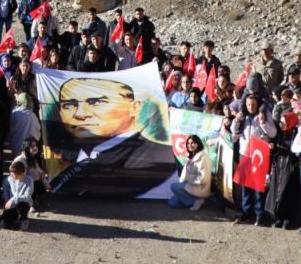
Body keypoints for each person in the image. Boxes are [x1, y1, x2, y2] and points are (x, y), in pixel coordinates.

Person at [44, 75, 175, 199]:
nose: (80, 114)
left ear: (135, 107)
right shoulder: (73, 158)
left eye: (96, 102)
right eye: (69, 105)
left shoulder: (158, 156)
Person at [231, 93, 276, 224]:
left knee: (258, 186)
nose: (251, 107)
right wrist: (237, 120)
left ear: (258, 105)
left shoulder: (264, 115)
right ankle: (246, 212)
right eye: (249, 105)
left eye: (253, 105)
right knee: (245, 185)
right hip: (245, 154)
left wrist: (263, 123)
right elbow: (234, 133)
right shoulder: (243, 116)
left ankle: (259, 214)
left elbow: (273, 133)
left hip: (259, 155)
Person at [168, 134, 212, 211]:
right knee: (172, 202)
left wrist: (188, 179)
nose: (190, 145)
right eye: (188, 143)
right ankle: (194, 200)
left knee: (173, 186)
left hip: (199, 188)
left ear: (198, 144)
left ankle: (196, 200)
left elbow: (203, 178)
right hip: (191, 185)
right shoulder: (191, 156)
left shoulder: (203, 158)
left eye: (192, 143)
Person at [13, 137, 51, 212]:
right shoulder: (20, 160)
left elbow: (40, 172)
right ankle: (29, 204)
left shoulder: (33, 159)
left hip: (35, 183)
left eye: (36, 145)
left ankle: (38, 200)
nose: (35, 148)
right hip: (22, 184)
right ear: (26, 147)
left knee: (41, 191)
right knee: (31, 182)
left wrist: (46, 184)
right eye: (32, 146)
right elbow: (18, 177)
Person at [1, 159, 35, 230]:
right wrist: (7, 202)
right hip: (11, 204)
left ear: (22, 174)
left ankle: (24, 219)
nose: (12, 176)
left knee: (21, 205)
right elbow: (5, 193)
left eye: (14, 174)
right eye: (11, 173)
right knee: (4, 225)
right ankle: (15, 218)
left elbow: (27, 196)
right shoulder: (8, 179)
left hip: (24, 203)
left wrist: (13, 199)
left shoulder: (29, 180)